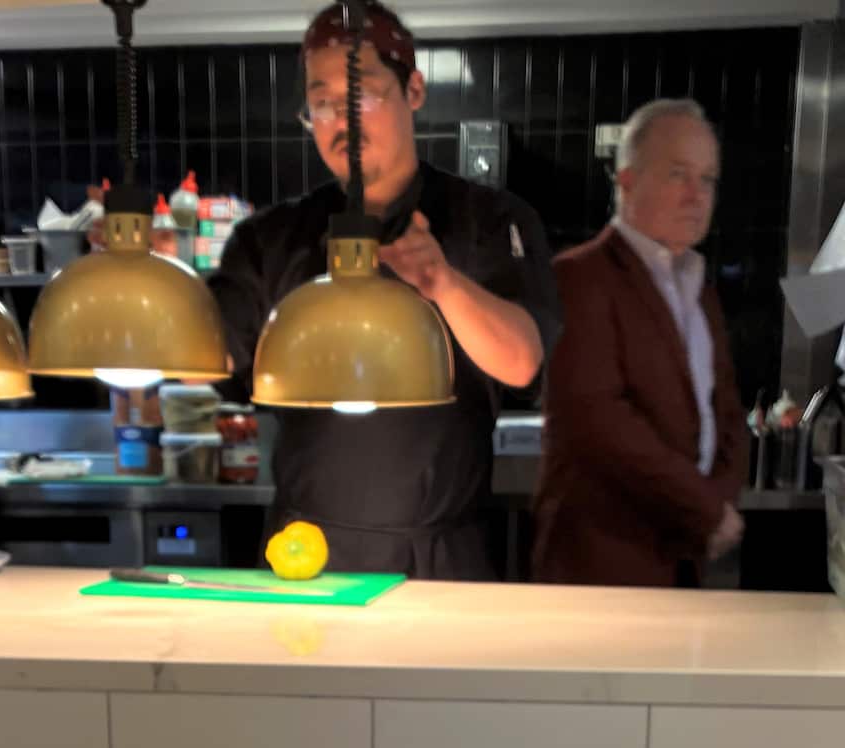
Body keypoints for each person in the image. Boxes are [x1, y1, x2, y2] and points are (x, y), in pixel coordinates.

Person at [210, 2, 561, 580]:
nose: (341, 118)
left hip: (443, 557)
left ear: (415, 90)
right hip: (303, 556)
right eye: (322, 102)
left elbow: (522, 362)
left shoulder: (492, 219)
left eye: (362, 94)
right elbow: (214, 357)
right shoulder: (270, 239)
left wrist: (443, 283)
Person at [533, 99, 748, 587]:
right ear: (627, 180)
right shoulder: (578, 277)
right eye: (679, 174)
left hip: (689, 555)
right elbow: (599, 421)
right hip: (604, 562)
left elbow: (728, 409)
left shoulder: (699, 283)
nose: (697, 195)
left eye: (708, 179)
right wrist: (708, 509)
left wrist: (719, 503)